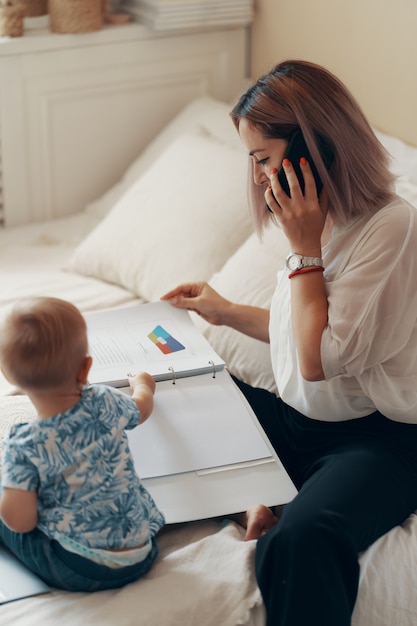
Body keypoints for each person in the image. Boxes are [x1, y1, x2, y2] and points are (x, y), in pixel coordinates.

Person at [161, 60, 417, 626]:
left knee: (303, 540)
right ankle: (259, 492)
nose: (257, 179)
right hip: (302, 422)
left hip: (377, 441)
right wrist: (223, 311)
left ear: (313, 151)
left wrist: (302, 248)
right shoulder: (321, 220)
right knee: (173, 392)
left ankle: (269, 498)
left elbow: (318, 357)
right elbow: (303, 327)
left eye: (263, 160)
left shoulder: (391, 228)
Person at [0, 296, 165, 592]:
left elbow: (21, 523)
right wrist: (143, 385)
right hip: (141, 550)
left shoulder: (23, 446)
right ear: (85, 368)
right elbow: (142, 409)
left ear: (8, 376)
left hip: (79, 568)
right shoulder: (105, 401)